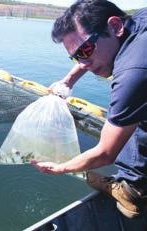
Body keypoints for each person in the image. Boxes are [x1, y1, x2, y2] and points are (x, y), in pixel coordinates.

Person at [32, 0, 147, 219]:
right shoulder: (138, 20)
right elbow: (87, 57)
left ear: (115, 27)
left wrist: (61, 167)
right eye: (77, 56)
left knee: (130, 118)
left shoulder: (133, 73)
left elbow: (105, 153)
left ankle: (132, 188)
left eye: (85, 49)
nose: (84, 62)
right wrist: (68, 81)